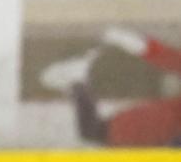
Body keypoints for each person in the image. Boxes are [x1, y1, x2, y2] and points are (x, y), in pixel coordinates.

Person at [40, 26, 181, 147]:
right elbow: (170, 58)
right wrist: (128, 40)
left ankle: (76, 83)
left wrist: (128, 40)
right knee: (94, 132)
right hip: (160, 128)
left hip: (161, 130)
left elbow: (170, 58)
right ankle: (76, 81)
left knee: (94, 132)